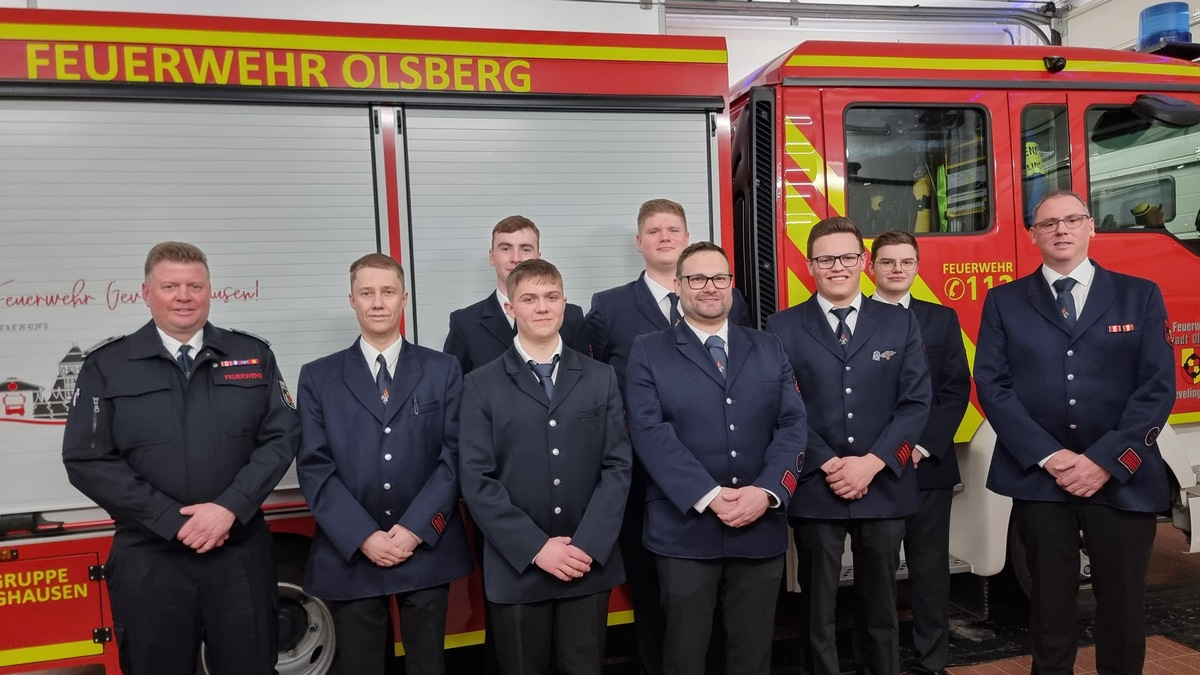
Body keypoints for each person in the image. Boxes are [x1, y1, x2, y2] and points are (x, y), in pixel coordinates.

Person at [62, 241, 300, 675]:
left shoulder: (251, 355)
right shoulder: (107, 365)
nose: (183, 296)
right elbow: (86, 459)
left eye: (195, 286)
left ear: (210, 291)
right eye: (170, 286)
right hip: (150, 558)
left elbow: (282, 437)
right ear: (146, 293)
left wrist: (230, 507)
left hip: (238, 553)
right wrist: (171, 519)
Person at [975, 189, 1174, 675]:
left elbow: (1156, 387)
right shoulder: (1004, 301)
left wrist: (1103, 461)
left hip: (1121, 477)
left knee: (1123, 603)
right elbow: (993, 386)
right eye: (1048, 223)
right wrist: (1050, 456)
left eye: (1071, 220)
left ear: (1091, 227)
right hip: (1042, 479)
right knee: (1048, 604)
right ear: (1033, 235)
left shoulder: (1140, 294)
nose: (1060, 230)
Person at [585, 198, 752, 674]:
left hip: (721, 479)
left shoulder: (730, 300)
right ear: (639, 243)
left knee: (713, 592)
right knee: (651, 588)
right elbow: (596, 388)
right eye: (654, 230)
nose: (664, 237)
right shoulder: (609, 307)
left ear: (686, 239)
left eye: (673, 229)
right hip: (643, 477)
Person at [625, 241, 808, 675]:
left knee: (752, 655)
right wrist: (708, 495)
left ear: (731, 284)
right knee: (684, 655)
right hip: (684, 531)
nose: (710, 287)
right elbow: (649, 432)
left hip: (759, 526)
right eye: (697, 278)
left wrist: (767, 491)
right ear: (678, 285)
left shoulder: (768, 346)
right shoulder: (648, 350)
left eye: (719, 278)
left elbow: (792, 424)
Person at [765, 217, 931, 675]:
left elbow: (916, 402)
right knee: (816, 609)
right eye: (825, 259)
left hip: (883, 484)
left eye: (845, 257)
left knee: (882, 605)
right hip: (817, 485)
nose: (836, 266)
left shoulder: (900, 322)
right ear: (809, 265)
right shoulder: (782, 326)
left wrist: (873, 462)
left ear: (862, 262)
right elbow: (783, 406)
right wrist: (829, 462)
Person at [295, 253, 472, 675]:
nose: (378, 302)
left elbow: (455, 456)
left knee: (428, 665)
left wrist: (414, 530)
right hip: (351, 553)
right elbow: (314, 466)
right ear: (352, 300)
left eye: (388, 292)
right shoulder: (318, 377)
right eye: (367, 293)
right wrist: (362, 536)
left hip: (425, 548)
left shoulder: (442, 369)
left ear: (404, 298)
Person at [459, 259, 632, 675]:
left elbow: (617, 465)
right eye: (529, 298)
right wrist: (536, 548)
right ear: (510, 308)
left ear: (564, 303)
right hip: (517, 566)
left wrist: (587, 545)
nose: (542, 307)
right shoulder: (480, 384)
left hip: (586, 563)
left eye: (551, 297)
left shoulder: (601, 377)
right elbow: (477, 479)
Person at [868, 230, 971, 675]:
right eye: (888, 261)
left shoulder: (941, 319)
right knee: (876, 574)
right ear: (871, 266)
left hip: (927, 466)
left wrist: (920, 446)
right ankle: (880, 662)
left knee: (930, 571)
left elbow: (954, 389)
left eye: (906, 261)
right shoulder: (854, 319)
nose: (897, 269)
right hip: (875, 469)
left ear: (916, 266)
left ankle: (932, 662)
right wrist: (885, 452)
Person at [445, 215, 589, 374]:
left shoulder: (571, 316)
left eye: (525, 249)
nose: (516, 258)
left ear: (538, 257)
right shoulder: (465, 323)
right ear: (492, 256)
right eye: (506, 249)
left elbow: (587, 376)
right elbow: (455, 384)